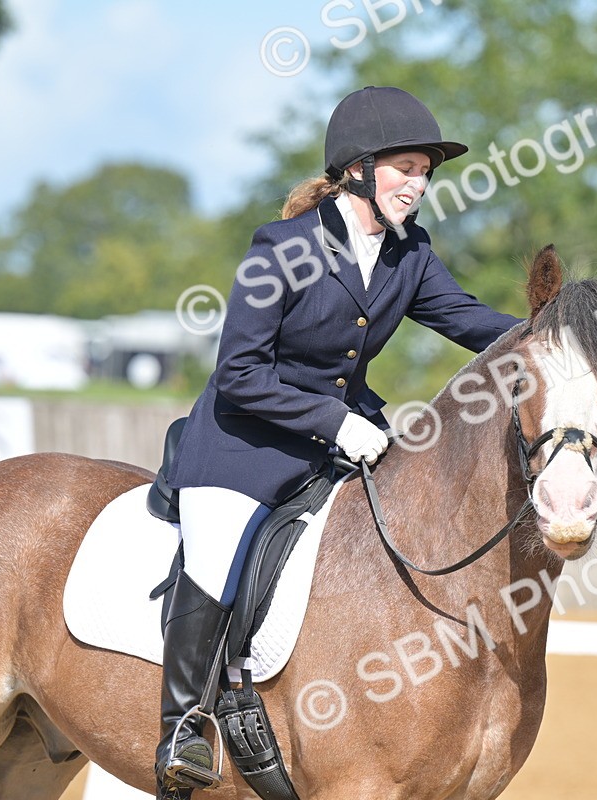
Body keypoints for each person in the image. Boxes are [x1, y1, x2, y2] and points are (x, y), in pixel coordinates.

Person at [156, 86, 521, 798]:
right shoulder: (282, 248)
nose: (418, 185)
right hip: (242, 448)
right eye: (406, 169)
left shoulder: (409, 253)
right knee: (217, 558)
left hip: (341, 446)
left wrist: (558, 332)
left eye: (424, 173)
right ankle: (184, 725)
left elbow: (470, 320)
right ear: (358, 168)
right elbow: (238, 374)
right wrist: (335, 421)